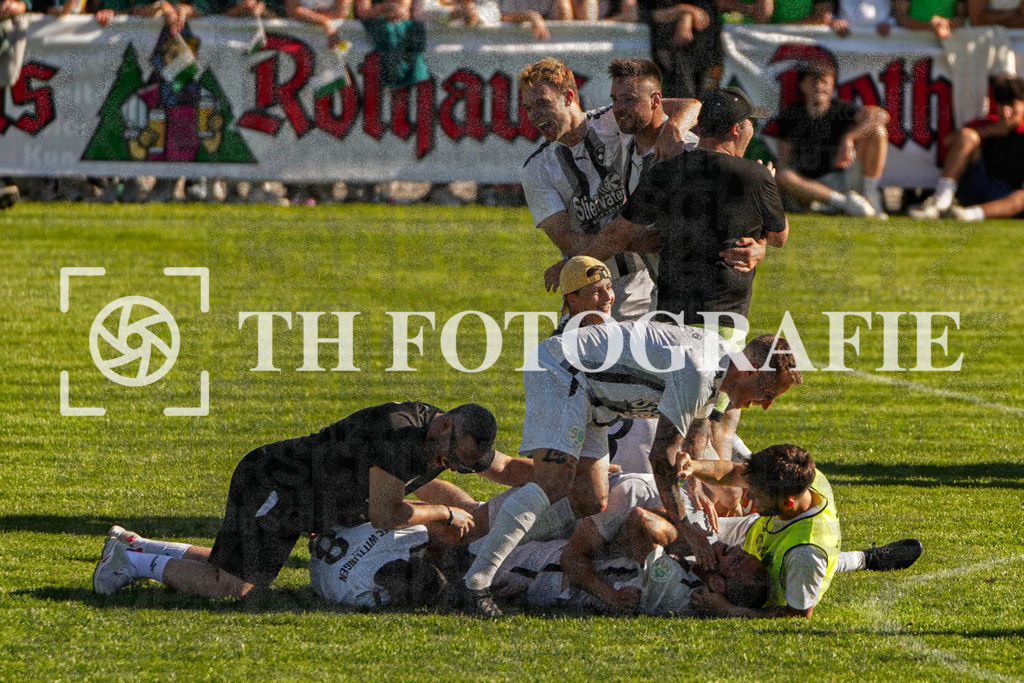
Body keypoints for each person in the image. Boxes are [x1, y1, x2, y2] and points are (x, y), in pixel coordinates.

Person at [462, 321, 802, 616]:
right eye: (769, 392)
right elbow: (661, 456)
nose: (768, 404)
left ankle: (474, 552)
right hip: (563, 369)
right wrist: (686, 527)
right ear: (749, 371)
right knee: (554, 482)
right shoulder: (700, 371)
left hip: (597, 397)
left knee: (591, 500)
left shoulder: (720, 369)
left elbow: (694, 441)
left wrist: (695, 484)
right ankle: (478, 581)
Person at [93, 401, 533, 599]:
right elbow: (385, 515)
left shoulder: (453, 440)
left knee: (234, 565)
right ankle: (127, 564)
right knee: (233, 587)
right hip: (277, 486)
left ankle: (136, 545)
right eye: (447, 459)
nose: (448, 467)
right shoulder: (399, 436)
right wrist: (447, 511)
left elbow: (510, 469)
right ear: (443, 428)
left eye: (461, 466)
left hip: (303, 498)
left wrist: (575, 468)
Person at [519, 57, 701, 321]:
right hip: (591, 286)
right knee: (569, 359)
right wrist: (629, 241)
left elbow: (691, 105)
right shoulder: (536, 169)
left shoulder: (614, 119)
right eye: (528, 108)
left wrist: (674, 127)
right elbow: (567, 239)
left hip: (644, 278)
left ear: (569, 96)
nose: (535, 116)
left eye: (543, 104)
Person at [679, 444, 923, 617]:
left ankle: (864, 559)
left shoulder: (804, 554)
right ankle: (868, 558)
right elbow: (736, 472)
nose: (747, 495)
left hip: (776, 567)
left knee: (685, 562)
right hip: (758, 532)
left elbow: (796, 616)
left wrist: (729, 611)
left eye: (756, 493)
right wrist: (694, 466)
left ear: (787, 504)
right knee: (681, 532)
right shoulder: (804, 479)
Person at [772, 59, 890, 218]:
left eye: (825, 82)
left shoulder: (841, 109)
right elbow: (784, 161)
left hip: (844, 178)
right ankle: (844, 204)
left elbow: (881, 116)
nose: (820, 87)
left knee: (878, 132)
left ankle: (870, 196)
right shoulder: (792, 115)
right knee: (784, 175)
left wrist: (849, 137)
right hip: (812, 184)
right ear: (802, 85)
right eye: (814, 81)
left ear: (832, 85)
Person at [908, 75, 1024, 221]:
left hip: (1006, 194)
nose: (1006, 111)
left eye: (1012, 105)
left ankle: (966, 215)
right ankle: (941, 201)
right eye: (1002, 105)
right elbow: (949, 142)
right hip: (976, 183)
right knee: (968, 136)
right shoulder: (987, 123)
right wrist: (993, 130)